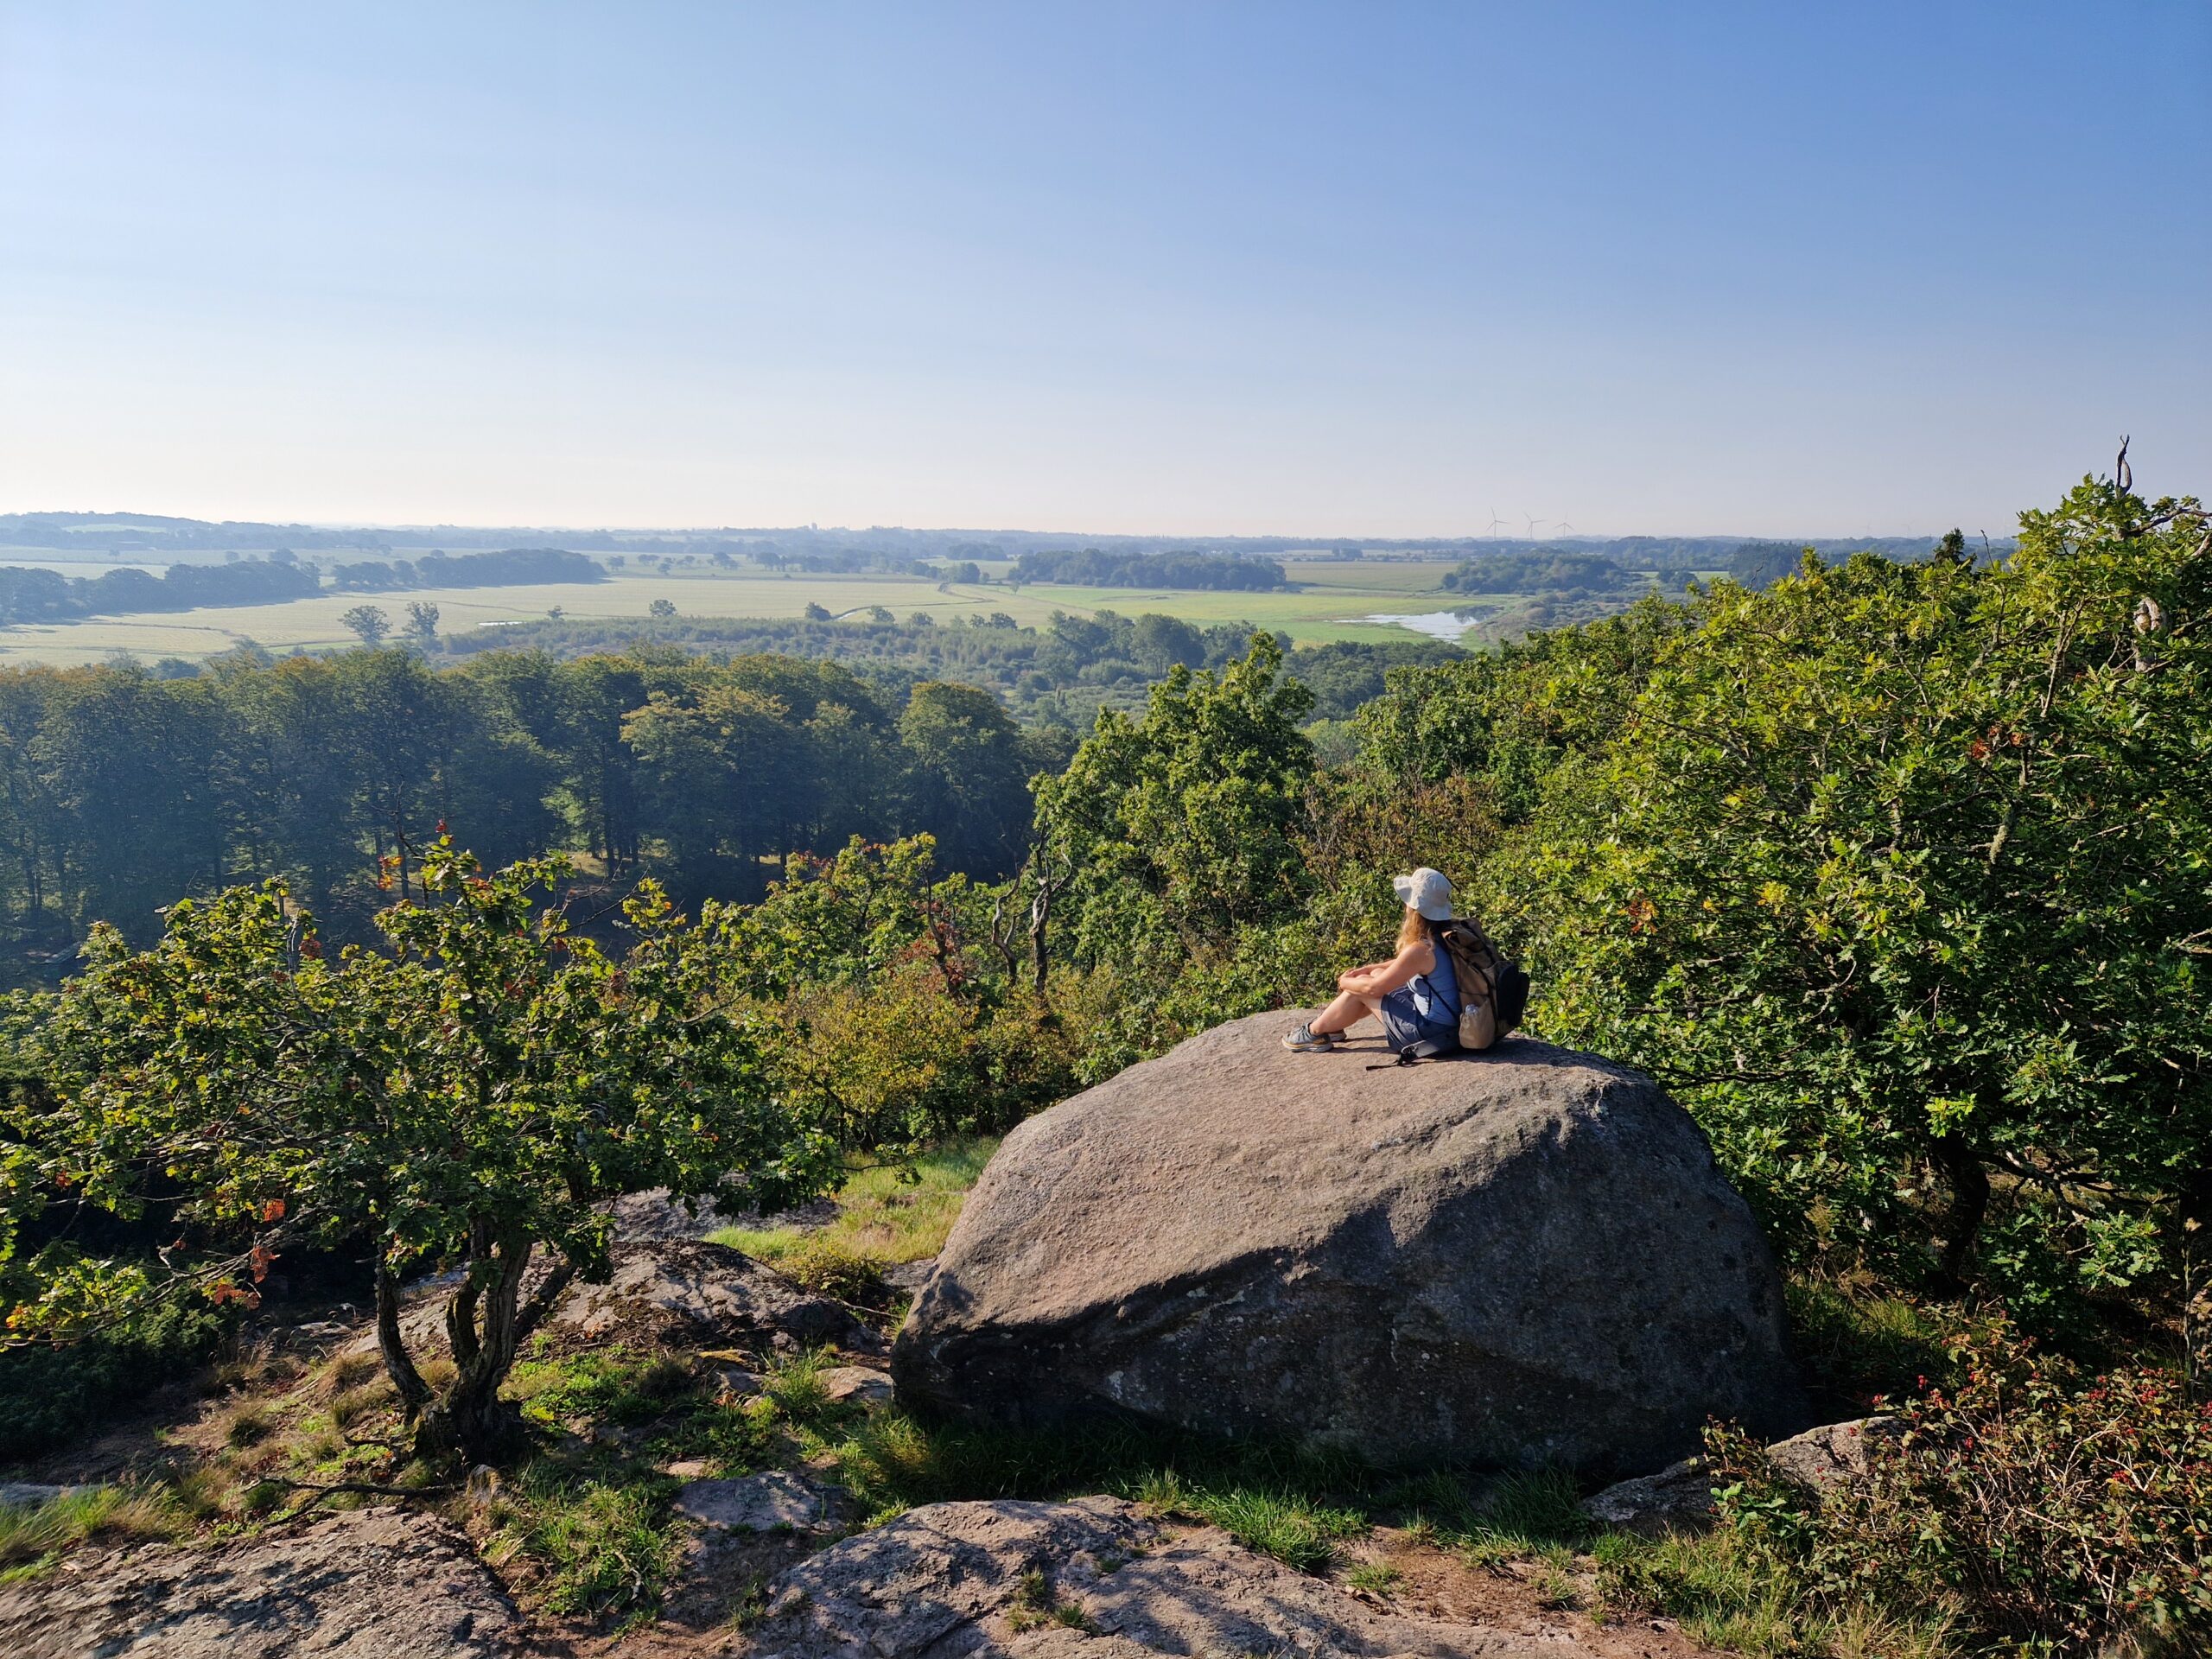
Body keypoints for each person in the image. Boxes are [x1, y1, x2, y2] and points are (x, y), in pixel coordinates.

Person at [1283, 867, 1461, 1053]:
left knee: (1360, 988)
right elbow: (1403, 964)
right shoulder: (1446, 935)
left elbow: (1373, 989)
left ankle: (1314, 1032)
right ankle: (1332, 1024)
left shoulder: (1422, 949)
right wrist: (1369, 968)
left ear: (1413, 908)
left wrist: (1345, 982)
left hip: (1432, 1035)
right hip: (1452, 1026)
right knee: (1375, 974)